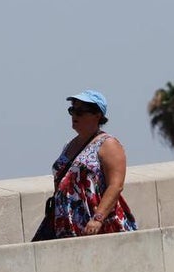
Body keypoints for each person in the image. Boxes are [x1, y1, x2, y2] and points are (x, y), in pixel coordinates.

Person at [44, 90, 136, 238]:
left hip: (97, 226)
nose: (74, 115)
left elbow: (116, 185)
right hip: (66, 226)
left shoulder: (108, 144)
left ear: (97, 115)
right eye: (72, 110)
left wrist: (97, 219)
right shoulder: (69, 145)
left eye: (80, 112)